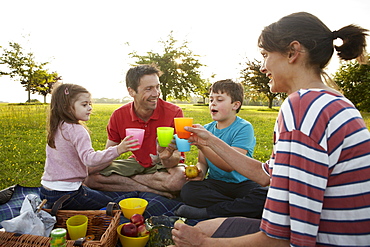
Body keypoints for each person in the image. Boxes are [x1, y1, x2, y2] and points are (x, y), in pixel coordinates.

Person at [170, 12, 370, 246]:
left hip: (329, 240)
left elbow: (281, 238)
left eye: (265, 55)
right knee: (204, 226)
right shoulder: (334, 100)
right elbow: (266, 175)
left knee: (198, 235)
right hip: (339, 233)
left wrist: (203, 244)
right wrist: (208, 141)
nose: (263, 67)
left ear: (292, 52)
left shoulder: (302, 106)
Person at [84, 64, 187, 198]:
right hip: (136, 163)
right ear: (131, 91)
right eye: (149, 89)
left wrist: (164, 155)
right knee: (87, 176)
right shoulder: (119, 115)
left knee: (179, 180)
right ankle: (152, 190)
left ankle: (131, 183)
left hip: (164, 166)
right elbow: (108, 154)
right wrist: (87, 170)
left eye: (157, 87)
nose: (156, 93)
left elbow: (176, 158)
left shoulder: (174, 112)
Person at [175, 79, 267, 219]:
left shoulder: (244, 128)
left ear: (235, 105)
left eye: (219, 99)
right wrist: (200, 172)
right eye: (211, 99)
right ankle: (236, 209)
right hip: (217, 184)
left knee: (265, 197)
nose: (213, 103)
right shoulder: (207, 129)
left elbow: (229, 166)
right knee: (189, 190)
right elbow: (203, 162)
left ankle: (209, 212)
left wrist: (202, 144)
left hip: (243, 183)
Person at [40, 83, 139, 210]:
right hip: (68, 194)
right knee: (111, 203)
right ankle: (133, 198)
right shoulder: (77, 130)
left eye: (90, 104)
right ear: (67, 107)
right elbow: (90, 159)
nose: (90, 108)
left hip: (46, 192)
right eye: (84, 104)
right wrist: (119, 149)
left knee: (96, 195)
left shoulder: (57, 126)